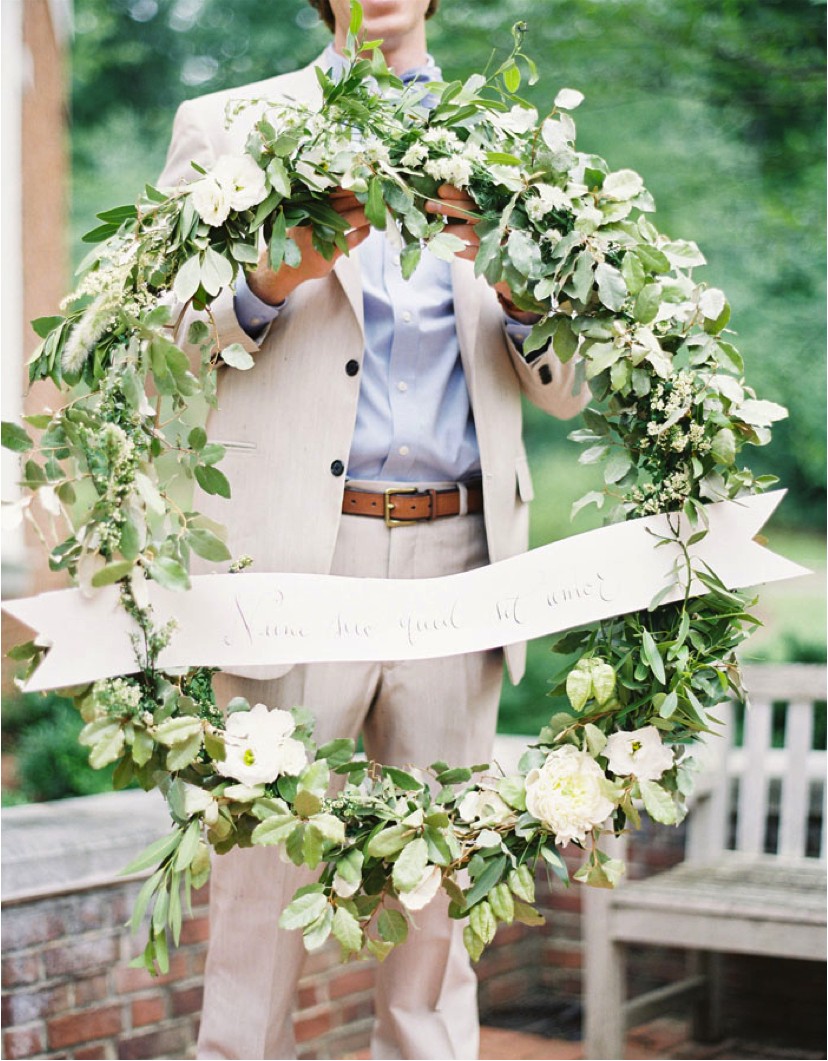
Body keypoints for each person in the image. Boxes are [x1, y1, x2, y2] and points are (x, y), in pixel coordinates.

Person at [158, 1, 587, 1057]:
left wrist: (524, 286)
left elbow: (570, 387)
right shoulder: (230, 125)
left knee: (439, 903)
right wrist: (272, 278)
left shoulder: (518, 143)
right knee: (262, 885)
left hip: (459, 564)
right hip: (296, 556)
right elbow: (160, 340)